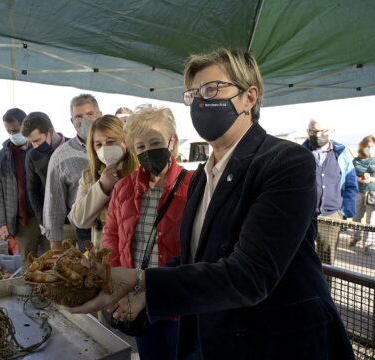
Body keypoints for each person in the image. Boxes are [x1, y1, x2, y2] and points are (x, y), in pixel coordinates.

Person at [68, 49, 355, 360]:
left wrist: (141, 280)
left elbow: (250, 274)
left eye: (212, 89)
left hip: (276, 345)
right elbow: (196, 258)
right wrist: (144, 294)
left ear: (250, 97)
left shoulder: (285, 162)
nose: (201, 102)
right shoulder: (203, 177)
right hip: (212, 335)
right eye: (193, 94)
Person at [101, 106, 192, 360]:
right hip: (136, 299)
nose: (148, 151)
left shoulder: (193, 185)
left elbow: (197, 247)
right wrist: (118, 286)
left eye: (155, 142)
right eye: (140, 147)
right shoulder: (123, 188)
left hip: (178, 301)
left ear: (171, 141)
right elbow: (112, 239)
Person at [68, 115, 139, 250]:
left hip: (132, 252)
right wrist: (102, 187)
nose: (105, 149)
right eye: (98, 145)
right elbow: (78, 219)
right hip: (102, 254)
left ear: (125, 141)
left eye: (111, 141)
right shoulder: (89, 176)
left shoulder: (138, 172)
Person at [42, 94, 102, 251]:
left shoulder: (118, 146)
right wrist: (55, 247)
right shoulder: (61, 156)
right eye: (78, 116)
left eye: (90, 114)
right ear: (72, 121)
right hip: (85, 230)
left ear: (99, 115)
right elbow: (54, 203)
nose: (85, 120)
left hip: (119, 227)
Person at [302, 119, 358, 264]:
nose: (318, 134)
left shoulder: (342, 154)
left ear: (332, 131)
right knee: (300, 257)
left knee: (326, 259)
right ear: (308, 131)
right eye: (314, 131)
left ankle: (325, 287)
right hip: (303, 216)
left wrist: (344, 212)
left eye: (323, 131)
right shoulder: (298, 153)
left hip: (332, 215)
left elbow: (351, 185)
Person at [0, 108, 41, 262]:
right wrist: (0, 223)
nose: (13, 135)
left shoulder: (41, 148)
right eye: (9, 132)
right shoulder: (3, 156)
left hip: (45, 216)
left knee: (52, 260)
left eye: (16, 130)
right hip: (23, 220)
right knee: (27, 263)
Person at [21, 111, 68, 254]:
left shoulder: (73, 147)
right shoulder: (32, 156)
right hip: (52, 225)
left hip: (76, 222)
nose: (34, 146)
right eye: (30, 142)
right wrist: (44, 222)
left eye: (37, 141)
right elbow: (32, 190)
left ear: (50, 132)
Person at [350, 135, 375, 254]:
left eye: (372, 146)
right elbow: (351, 174)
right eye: (367, 146)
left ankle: (367, 245)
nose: (369, 148)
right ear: (362, 146)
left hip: (373, 194)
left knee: (370, 222)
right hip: (359, 192)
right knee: (356, 218)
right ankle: (356, 236)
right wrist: (359, 179)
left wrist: (372, 180)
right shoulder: (357, 160)